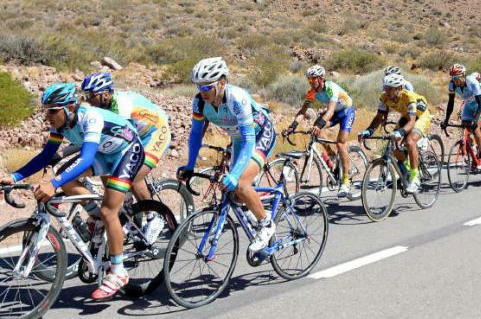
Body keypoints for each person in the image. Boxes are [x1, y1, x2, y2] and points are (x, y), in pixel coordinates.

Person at [3, 83, 143, 300]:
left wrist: (53, 184)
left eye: (52, 111)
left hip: (126, 151)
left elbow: (86, 158)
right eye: (45, 110)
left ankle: (118, 271)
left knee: (109, 212)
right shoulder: (59, 125)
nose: (47, 116)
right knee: (63, 173)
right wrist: (14, 177)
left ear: (69, 107)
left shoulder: (91, 118)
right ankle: (95, 217)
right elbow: (45, 156)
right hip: (104, 153)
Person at [177, 57, 276, 256]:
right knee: (235, 191)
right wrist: (189, 165)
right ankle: (251, 209)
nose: (202, 92)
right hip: (239, 138)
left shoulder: (236, 98)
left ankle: (266, 224)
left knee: (240, 182)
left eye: (207, 88)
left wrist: (235, 174)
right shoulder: (199, 102)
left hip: (259, 135)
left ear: (222, 83)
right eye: (199, 87)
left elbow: (249, 141)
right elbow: (196, 134)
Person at [81, 72, 171, 202]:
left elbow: (131, 142)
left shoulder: (122, 105)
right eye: (85, 95)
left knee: (132, 177)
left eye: (90, 95)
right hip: (136, 134)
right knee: (108, 172)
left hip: (155, 133)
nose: (88, 100)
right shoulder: (101, 108)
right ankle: (126, 206)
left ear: (105, 94)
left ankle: (154, 217)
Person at [286, 65, 356, 198]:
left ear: (320, 78)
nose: (311, 82)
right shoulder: (311, 92)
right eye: (309, 80)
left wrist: (319, 123)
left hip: (346, 111)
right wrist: (293, 125)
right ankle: (332, 156)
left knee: (340, 144)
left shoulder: (331, 88)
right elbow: (302, 111)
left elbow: (329, 111)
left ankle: (346, 181)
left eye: (313, 79)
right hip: (335, 112)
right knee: (316, 130)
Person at [358, 74, 432, 193]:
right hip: (406, 116)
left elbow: (412, 121)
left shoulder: (409, 97)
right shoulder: (384, 97)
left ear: (399, 88)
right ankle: (407, 168)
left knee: (410, 141)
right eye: (386, 87)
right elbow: (378, 117)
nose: (387, 91)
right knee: (394, 146)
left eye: (390, 88)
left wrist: (401, 132)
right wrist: (369, 130)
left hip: (420, 116)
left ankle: (415, 178)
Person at [442, 64, 481, 170]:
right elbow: (450, 103)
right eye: (453, 78)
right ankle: (471, 151)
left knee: (475, 128)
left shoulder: (471, 82)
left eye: (457, 78)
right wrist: (446, 120)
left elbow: (480, 104)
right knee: (465, 125)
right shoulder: (452, 84)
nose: (455, 80)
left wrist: (475, 120)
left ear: (463, 75)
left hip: (480, 103)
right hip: (469, 103)